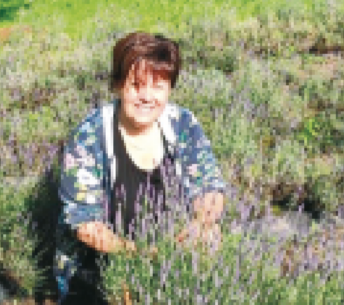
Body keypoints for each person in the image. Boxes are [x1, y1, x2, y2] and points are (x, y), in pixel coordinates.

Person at [54, 31, 227, 304]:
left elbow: (210, 187)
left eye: (158, 86)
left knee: (211, 235)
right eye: (137, 85)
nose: (147, 96)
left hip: (172, 253)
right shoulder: (91, 135)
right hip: (105, 264)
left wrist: (198, 223)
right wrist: (141, 255)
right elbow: (85, 224)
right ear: (118, 85)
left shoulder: (182, 123)